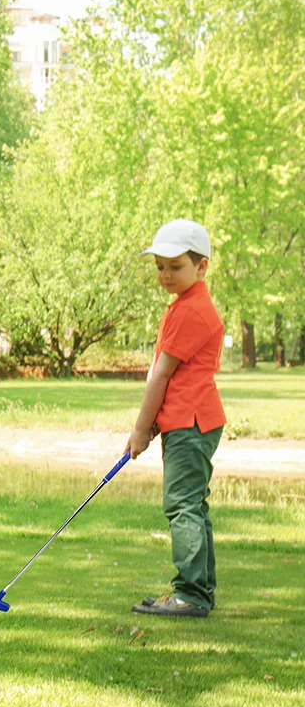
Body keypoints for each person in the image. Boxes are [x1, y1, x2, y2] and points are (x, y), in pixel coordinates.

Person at [125, 219, 226, 618]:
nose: (166, 275)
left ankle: (191, 595)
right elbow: (170, 375)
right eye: (160, 267)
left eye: (176, 266)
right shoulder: (185, 305)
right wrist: (154, 423)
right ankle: (199, 590)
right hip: (189, 417)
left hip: (191, 420)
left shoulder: (191, 312)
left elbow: (160, 374)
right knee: (193, 506)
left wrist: (139, 428)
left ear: (201, 267)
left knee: (182, 504)